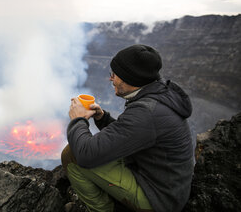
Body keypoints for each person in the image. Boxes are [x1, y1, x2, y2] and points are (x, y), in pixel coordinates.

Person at [62, 44, 194, 212]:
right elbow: (129, 134)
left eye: (114, 74)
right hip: (164, 183)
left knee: (71, 155)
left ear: (128, 78)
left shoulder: (146, 113)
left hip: (159, 199)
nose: (111, 79)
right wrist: (102, 118)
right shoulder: (157, 96)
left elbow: (85, 155)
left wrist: (78, 120)